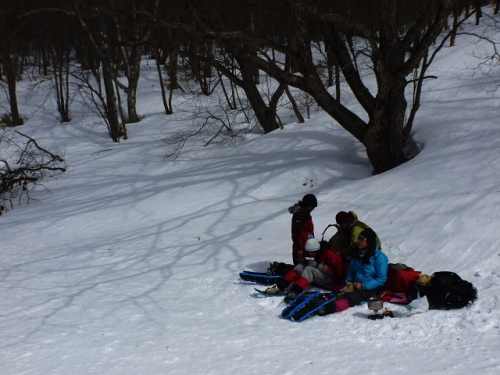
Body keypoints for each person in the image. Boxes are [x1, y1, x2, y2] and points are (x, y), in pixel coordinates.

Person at [316, 228, 389, 316]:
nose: (359, 241)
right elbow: (351, 270)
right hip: (355, 284)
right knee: (340, 292)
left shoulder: (380, 258)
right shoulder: (357, 254)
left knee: (352, 297)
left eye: (362, 239)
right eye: (359, 238)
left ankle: (331, 308)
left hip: (370, 288)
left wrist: (363, 285)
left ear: (369, 241)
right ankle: (321, 300)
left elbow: (381, 279)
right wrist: (349, 280)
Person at [265, 238, 343, 296]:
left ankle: (296, 290)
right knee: (300, 266)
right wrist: (306, 262)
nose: (309, 255)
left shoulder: (329, 254)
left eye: (310, 253)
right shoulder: (319, 253)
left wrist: (317, 266)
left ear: (315, 251)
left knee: (309, 269)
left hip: (333, 280)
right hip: (323, 275)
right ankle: (280, 285)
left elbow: (336, 272)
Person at [289, 194, 317, 265]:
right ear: (307, 205)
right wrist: (300, 248)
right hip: (301, 248)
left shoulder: (306, 214)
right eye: (312, 206)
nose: (313, 209)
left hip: (307, 247)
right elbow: (296, 233)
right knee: (300, 269)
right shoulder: (300, 215)